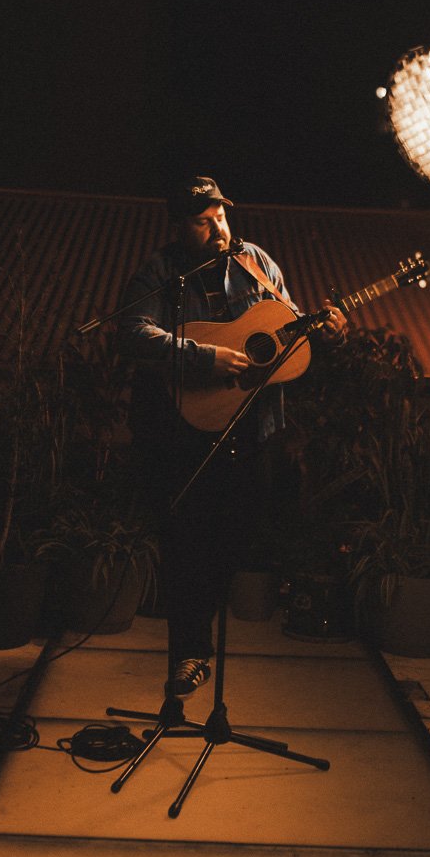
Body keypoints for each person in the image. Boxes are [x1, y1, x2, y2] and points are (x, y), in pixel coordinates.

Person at [117, 175, 347, 698]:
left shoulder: (257, 263)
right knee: (186, 540)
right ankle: (189, 653)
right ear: (180, 227)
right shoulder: (161, 272)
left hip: (254, 428)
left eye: (221, 216)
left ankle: (202, 640)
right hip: (187, 431)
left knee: (236, 535)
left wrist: (325, 331)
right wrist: (205, 357)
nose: (218, 229)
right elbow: (132, 332)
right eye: (203, 221)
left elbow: (287, 328)